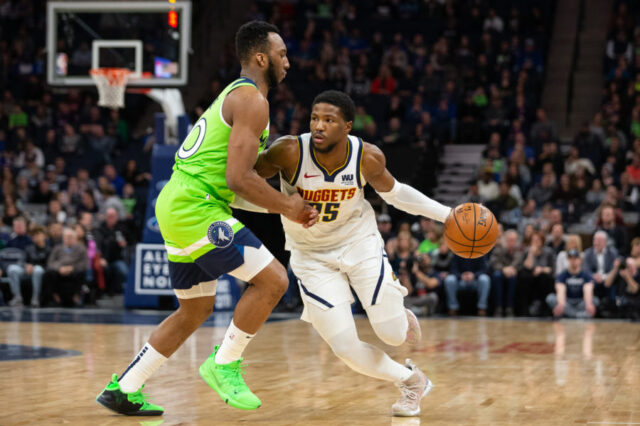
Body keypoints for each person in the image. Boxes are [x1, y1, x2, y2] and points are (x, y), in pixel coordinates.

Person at [96, 21, 317, 416]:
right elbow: (239, 178)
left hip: (183, 201)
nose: (288, 61)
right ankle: (224, 363)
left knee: (194, 310)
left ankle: (124, 388)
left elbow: (235, 187)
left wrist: (286, 209)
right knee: (274, 280)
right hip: (194, 204)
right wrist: (289, 206)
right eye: (282, 54)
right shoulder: (253, 100)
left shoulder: (237, 96)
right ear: (261, 57)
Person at [255, 90, 453, 416]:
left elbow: (397, 194)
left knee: (392, 334)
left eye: (328, 120)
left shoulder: (367, 156)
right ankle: (412, 381)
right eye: (314, 118)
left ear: (348, 126)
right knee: (344, 347)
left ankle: (399, 314)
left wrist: (446, 215)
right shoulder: (289, 151)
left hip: (357, 241)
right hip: (310, 254)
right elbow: (248, 177)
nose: (318, 126)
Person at [6, 226, 50, 307]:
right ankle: (17, 298)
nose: (36, 237)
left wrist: (33, 266)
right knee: (12, 268)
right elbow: (21, 262)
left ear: (44, 236)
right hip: (26, 272)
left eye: (39, 235)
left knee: (38, 270)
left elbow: (48, 265)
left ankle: (35, 298)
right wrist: (26, 265)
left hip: (40, 273)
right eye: (35, 235)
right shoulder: (29, 248)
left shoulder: (48, 249)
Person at [546, 250, 598, 319]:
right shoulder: (562, 275)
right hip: (567, 301)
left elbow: (588, 289)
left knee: (595, 300)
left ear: (580, 260)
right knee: (550, 298)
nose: (573, 261)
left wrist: (589, 304)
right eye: (571, 258)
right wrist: (561, 305)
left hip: (580, 301)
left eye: (575, 258)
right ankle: (578, 316)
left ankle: (568, 315)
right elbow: (561, 290)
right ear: (568, 260)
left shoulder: (586, 275)